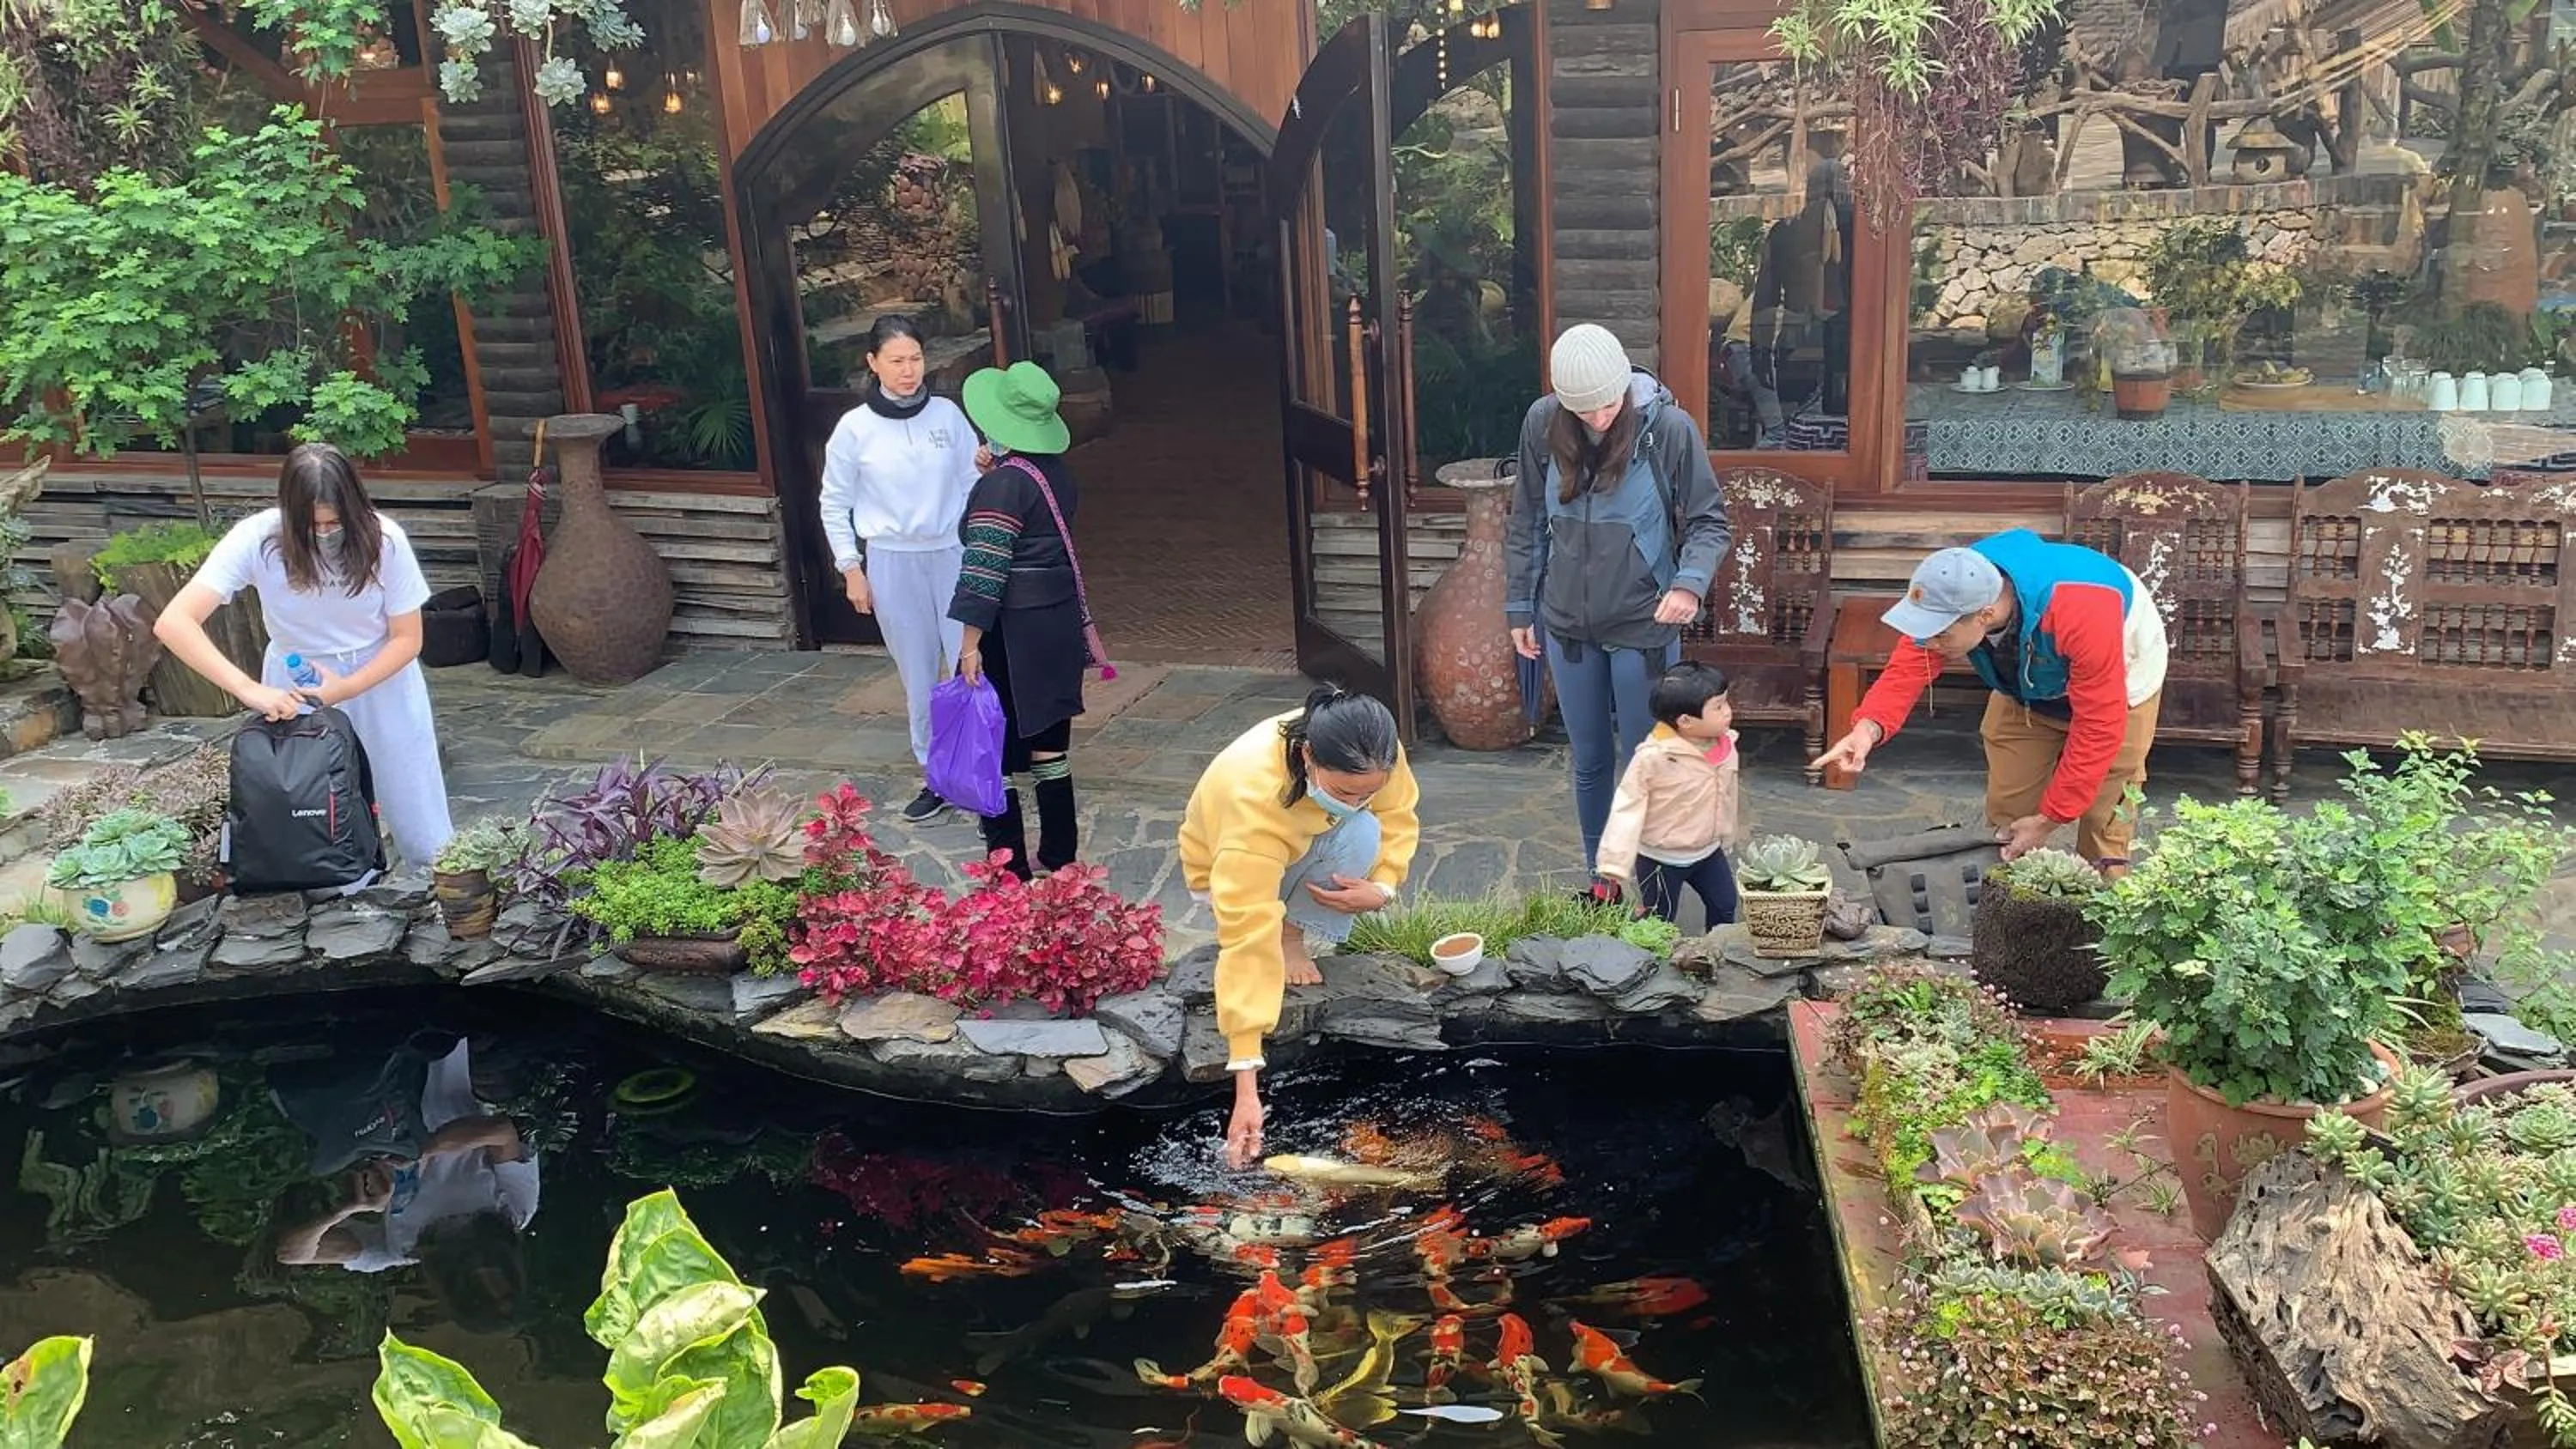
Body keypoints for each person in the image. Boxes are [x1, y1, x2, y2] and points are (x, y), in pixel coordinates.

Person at [1504, 324, 1732, 884]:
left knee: (1646, 762)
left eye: (1608, 404)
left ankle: (1654, 891)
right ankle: (1602, 879)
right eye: (1584, 410)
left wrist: (1688, 584)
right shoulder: (1542, 423)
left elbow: (1709, 522)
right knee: (1589, 763)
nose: (1599, 418)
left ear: (1624, 387)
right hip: (1566, 624)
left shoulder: (1669, 429)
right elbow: (1527, 519)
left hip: (1644, 626)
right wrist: (1519, 608)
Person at [155, 442, 453, 869]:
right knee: (310, 809)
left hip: (379, 676)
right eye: (316, 525)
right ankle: (332, 905)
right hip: (295, 684)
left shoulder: (385, 540)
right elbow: (174, 621)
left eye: (337, 523)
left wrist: (346, 687)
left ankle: (451, 900)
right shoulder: (256, 539)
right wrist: (249, 689)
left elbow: (407, 638)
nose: (328, 533)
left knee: (416, 805)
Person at [1811, 531, 2170, 870]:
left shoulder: (2084, 611)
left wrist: (2051, 819)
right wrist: (1867, 729)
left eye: (1939, 634)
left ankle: (2104, 918)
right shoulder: (1953, 587)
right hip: (2027, 687)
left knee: (2103, 821)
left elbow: (2098, 727)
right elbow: (1908, 666)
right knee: (2008, 822)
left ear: (1984, 616)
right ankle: (2006, 914)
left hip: (2123, 680)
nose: (1929, 643)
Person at [1179, 687, 1420, 1169]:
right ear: (1308, 755)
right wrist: (1246, 1084)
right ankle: (1285, 935)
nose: (1362, 799)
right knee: (1262, 935)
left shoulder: (1375, 742)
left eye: (1369, 790)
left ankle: (1295, 932)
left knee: (1364, 830)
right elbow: (1245, 942)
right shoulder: (1255, 800)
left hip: (1311, 832)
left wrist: (1385, 887)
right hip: (1224, 867)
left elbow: (1397, 813)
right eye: (1346, 791)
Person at [818, 314, 981, 823]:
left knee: (968, 664)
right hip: (892, 560)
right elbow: (833, 502)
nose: (909, 371)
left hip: (951, 552)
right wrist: (851, 568)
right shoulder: (855, 430)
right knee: (918, 674)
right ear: (873, 364)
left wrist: (976, 545)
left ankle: (974, 771)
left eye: (915, 359)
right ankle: (934, 774)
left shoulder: (948, 417)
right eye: (896, 361)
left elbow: (970, 484)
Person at [273, 1035, 538, 1313]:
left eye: (482, 1292)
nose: (488, 1277)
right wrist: (422, 1150)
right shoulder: (514, 1214)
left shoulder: (401, 1248)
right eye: (504, 1286)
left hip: (378, 1100)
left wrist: (348, 1209)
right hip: (445, 1074)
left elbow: (292, 1254)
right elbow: (503, 1133)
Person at [948, 361, 1090, 879]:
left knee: (997, 751)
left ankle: (1007, 869)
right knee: (1051, 747)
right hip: (1057, 627)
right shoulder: (1055, 474)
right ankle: (1059, 856)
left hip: (1013, 634)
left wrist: (969, 646)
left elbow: (983, 571)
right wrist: (992, 477)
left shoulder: (1003, 485)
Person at [1595, 660, 1743, 925]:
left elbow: (1727, 794)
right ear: (1685, 721)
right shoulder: (1654, 757)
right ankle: (1650, 960)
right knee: (1659, 919)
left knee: (1724, 905)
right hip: (1661, 859)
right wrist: (1614, 862)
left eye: (1726, 702)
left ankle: (1718, 956)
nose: (1727, 712)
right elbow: (1627, 806)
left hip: (1708, 852)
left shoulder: (1726, 746)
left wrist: (1727, 832)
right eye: (1718, 707)